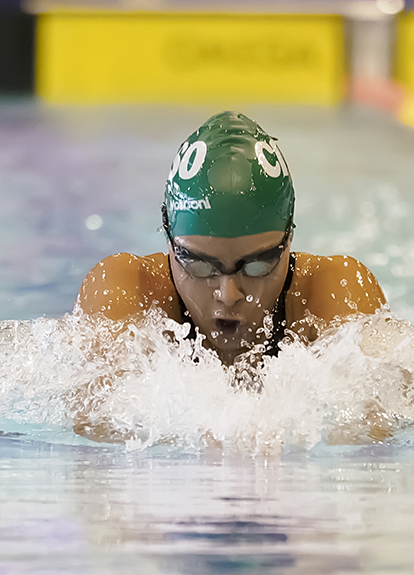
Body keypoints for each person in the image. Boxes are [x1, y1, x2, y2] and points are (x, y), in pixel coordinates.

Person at [72, 111, 393, 442]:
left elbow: (374, 435)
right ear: (169, 240)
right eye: (199, 265)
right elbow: (95, 425)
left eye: (255, 265)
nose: (228, 293)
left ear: (289, 239)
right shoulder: (127, 289)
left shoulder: (335, 290)